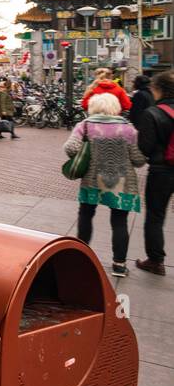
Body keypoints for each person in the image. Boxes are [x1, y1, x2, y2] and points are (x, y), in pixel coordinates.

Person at [65, 92, 146, 277]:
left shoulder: (84, 125)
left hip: (92, 180)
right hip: (122, 182)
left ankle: (81, 256)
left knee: (86, 215)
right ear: (115, 107)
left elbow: (70, 148)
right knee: (119, 221)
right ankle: (119, 264)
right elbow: (139, 159)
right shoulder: (128, 129)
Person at [135, 70, 174, 277]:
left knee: (155, 216)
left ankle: (156, 261)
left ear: (157, 89)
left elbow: (145, 148)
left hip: (161, 172)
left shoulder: (153, 113)